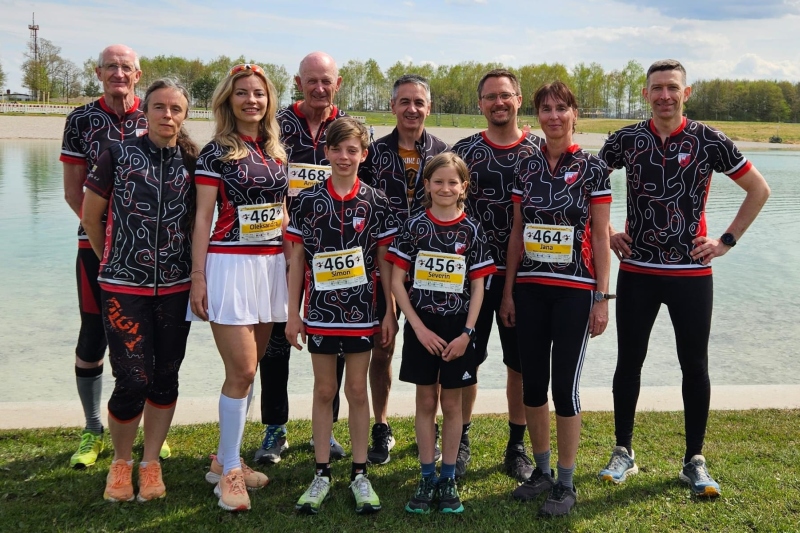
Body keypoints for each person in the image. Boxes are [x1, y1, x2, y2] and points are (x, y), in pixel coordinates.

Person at [597, 59, 770, 497]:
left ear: (685, 93)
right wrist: (609, 231)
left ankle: (694, 459)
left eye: (672, 88)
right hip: (638, 271)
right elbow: (586, 186)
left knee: (694, 365)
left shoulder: (708, 140)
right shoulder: (626, 140)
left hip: (693, 273)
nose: (664, 96)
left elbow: (759, 189)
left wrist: (727, 240)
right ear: (645, 94)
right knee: (628, 363)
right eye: (657, 88)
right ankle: (624, 452)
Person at [81, 78, 198, 502]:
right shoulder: (118, 154)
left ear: (185, 116)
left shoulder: (192, 159)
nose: (168, 115)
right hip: (122, 286)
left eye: (176, 109)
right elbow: (91, 217)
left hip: (176, 287)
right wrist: (114, 260)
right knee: (132, 377)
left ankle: (150, 463)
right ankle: (121, 461)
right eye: (160, 107)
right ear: (144, 111)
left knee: (166, 376)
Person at [500, 81, 612, 516]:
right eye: (545, 109)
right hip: (529, 289)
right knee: (534, 385)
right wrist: (508, 291)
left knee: (565, 388)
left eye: (561, 108)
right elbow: (516, 234)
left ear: (574, 114)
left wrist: (602, 297)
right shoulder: (524, 168)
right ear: (537, 116)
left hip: (574, 291)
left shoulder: (592, 168)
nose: (553, 115)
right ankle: (542, 471)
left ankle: (566, 483)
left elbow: (601, 237)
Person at [61, 44, 170, 468]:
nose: (118, 74)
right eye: (111, 67)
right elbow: (74, 191)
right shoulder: (82, 120)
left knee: (151, 340)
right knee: (93, 334)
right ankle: (91, 429)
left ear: (138, 74)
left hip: (154, 256)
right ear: (98, 72)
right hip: (97, 249)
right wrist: (107, 240)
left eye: (126, 67)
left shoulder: (157, 113)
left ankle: (148, 427)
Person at [286, 117, 398, 515]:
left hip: (363, 312)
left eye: (354, 150)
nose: (345, 156)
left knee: (356, 391)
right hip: (319, 312)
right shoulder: (305, 201)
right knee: (323, 390)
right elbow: (297, 258)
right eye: (338, 149)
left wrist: (389, 311)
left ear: (364, 154)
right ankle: (320, 473)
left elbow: (385, 261)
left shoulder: (376, 201)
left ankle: (359, 472)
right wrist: (292, 314)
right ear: (327, 152)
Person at [189, 63, 284, 511]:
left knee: (253, 371)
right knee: (242, 372)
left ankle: (228, 457)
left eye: (259, 94)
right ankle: (228, 471)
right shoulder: (216, 153)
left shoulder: (274, 151)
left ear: (269, 101)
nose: (252, 100)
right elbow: (202, 219)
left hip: (270, 268)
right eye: (242, 93)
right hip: (228, 266)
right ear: (228, 100)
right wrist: (198, 276)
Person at [386, 152, 495, 514]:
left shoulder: (472, 230)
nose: (445, 188)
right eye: (438, 181)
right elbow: (398, 281)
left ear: (464, 187)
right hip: (422, 326)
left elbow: (479, 287)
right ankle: (426, 473)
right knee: (425, 402)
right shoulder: (415, 225)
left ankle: (448, 477)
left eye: (453, 182)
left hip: (458, 330)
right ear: (427, 186)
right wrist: (416, 327)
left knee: (451, 404)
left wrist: (467, 333)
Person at [256, 51, 348, 465]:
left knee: (335, 344)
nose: (319, 88)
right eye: (311, 80)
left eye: (326, 80)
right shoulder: (274, 125)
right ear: (298, 81)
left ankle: (325, 431)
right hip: (279, 251)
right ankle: (275, 428)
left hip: (334, 256)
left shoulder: (348, 127)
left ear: (338, 83)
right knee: (277, 342)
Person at [452, 69, 543, 481]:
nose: (498, 103)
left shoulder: (539, 152)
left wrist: (608, 230)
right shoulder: (464, 152)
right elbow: (435, 208)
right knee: (466, 360)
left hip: (524, 277)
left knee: (520, 365)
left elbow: (571, 204)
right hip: (469, 276)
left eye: (505, 96)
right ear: (480, 104)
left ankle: (516, 445)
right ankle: (461, 437)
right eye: (490, 97)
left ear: (519, 100)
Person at [358, 74, 449, 465]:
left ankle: (437, 424)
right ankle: (382, 424)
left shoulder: (444, 152)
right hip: (381, 266)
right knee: (384, 346)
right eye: (404, 102)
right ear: (393, 107)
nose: (412, 109)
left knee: (439, 349)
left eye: (419, 102)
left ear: (429, 107)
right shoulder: (372, 154)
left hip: (434, 270)